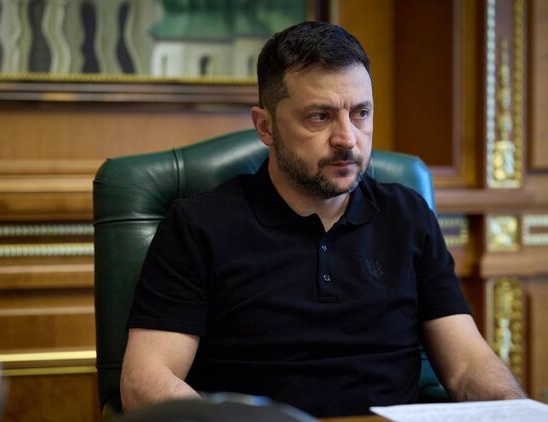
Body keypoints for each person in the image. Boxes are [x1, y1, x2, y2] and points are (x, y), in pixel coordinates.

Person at [120, 21, 526, 417]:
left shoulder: (408, 216)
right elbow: (147, 381)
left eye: (361, 113)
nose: (347, 138)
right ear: (265, 127)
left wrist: (517, 409)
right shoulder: (199, 225)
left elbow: (467, 365)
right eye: (320, 116)